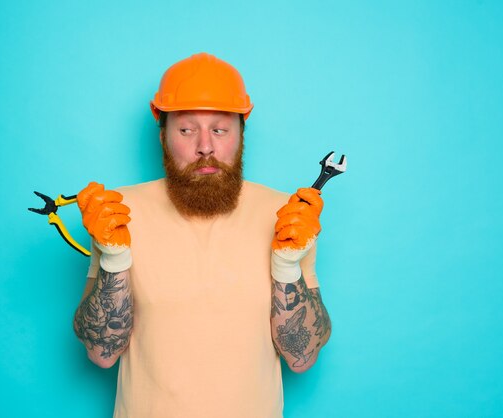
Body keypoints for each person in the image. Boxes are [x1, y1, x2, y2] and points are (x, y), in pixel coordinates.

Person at [73, 52, 331, 418]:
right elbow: (101, 352)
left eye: (220, 129)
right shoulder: (117, 214)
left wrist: (287, 268)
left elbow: (301, 357)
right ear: (162, 135)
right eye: (186, 129)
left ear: (242, 134)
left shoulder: (288, 217)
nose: (205, 147)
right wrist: (114, 260)